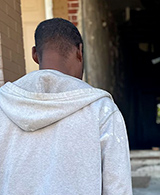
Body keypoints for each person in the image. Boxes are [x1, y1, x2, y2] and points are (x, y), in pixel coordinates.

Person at [0, 18, 132, 195]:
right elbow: (118, 188)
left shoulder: (3, 104)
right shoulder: (101, 110)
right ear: (80, 51)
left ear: (35, 54)